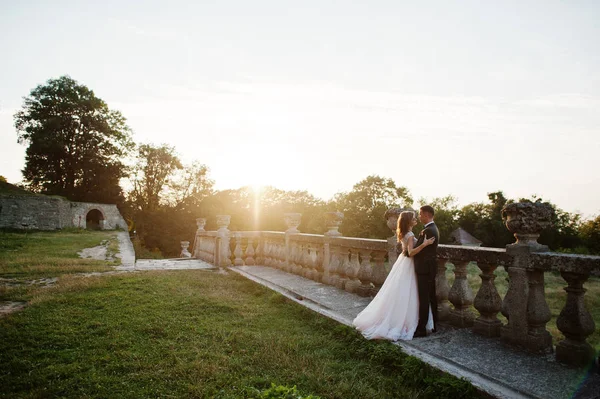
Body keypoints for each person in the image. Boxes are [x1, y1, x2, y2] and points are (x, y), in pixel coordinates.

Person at [352, 210, 435, 341]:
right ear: (408, 221)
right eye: (413, 218)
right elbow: (411, 252)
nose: (416, 220)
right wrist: (425, 244)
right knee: (407, 291)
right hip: (408, 263)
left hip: (402, 262)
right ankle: (405, 322)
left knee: (401, 291)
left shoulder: (403, 233)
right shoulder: (409, 234)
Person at [413, 205, 440, 337]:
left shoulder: (428, 231)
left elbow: (416, 251)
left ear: (427, 214)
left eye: (420, 214)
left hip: (424, 269)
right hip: (430, 268)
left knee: (424, 299)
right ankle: (435, 325)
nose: (419, 216)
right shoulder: (433, 228)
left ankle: (422, 329)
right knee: (431, 297)